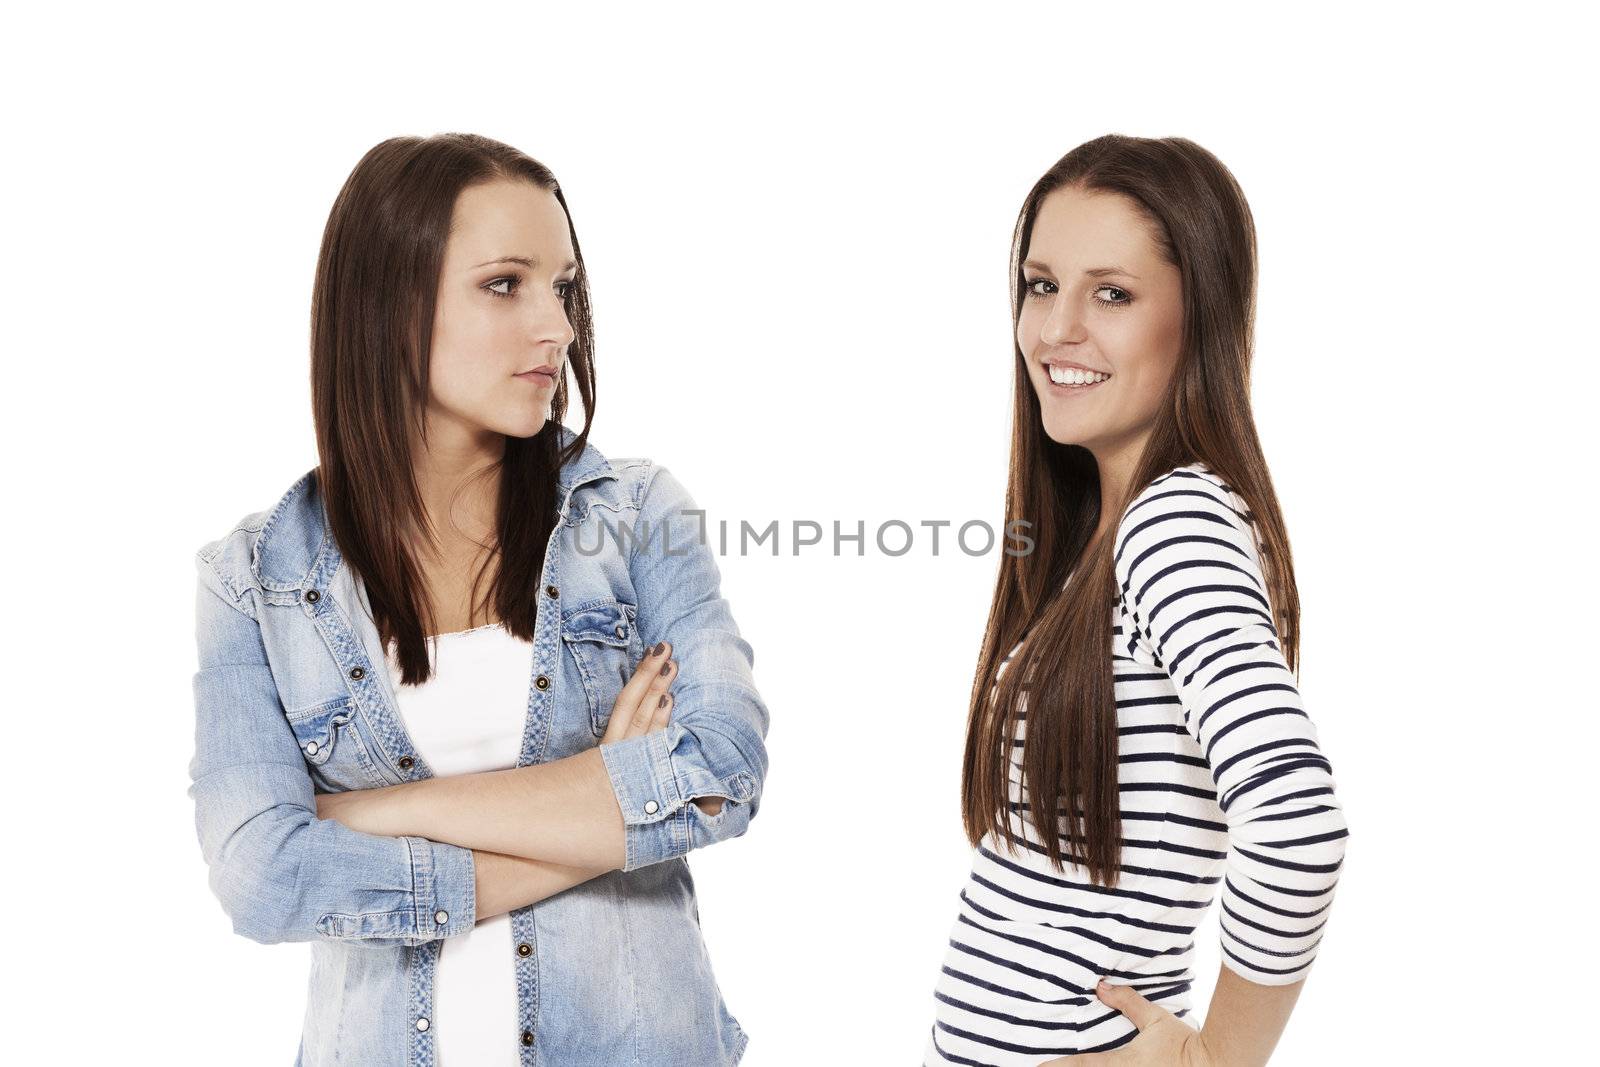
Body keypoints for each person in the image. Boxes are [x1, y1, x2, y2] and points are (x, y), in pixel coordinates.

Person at [187, 133, 767, 1066]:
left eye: (564, 287)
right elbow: (259, 875)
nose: (559, 327)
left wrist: (357, 815)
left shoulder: (635, 514)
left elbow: (721, 771)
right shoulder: (255, 578)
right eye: (506, 284)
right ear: (389, 305)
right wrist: (600, 811)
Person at [924, 134, 1349, 1066]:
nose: (1055, 329)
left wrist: (1217, 1060)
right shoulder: (1106, 535)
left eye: (1111, 294)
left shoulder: (1176, 522)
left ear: (1199, 319)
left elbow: (1297, 823)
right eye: (1041, 285)